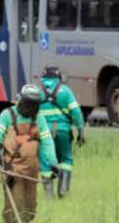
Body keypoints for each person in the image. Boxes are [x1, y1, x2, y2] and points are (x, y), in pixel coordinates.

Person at [0, 83, 57, 223]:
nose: (31, 108)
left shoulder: (39, 119)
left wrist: (53, 162)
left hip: (31, 170)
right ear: (21, 101)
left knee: (29, 208)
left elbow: (47, 142)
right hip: (12, 169)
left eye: (34, 105)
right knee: (14, 206)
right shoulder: (7, 115)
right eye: (28, 104)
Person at [37, 65, 86, 197]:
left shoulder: (37, 92)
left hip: (44, 132)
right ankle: (63, 191)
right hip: (63, 131)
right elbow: (76, 112)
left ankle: (48, 195)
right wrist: (81, 131)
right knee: (66, 158)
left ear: (43, 77)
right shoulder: (65, 91)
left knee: (46, 160)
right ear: (59, 77)